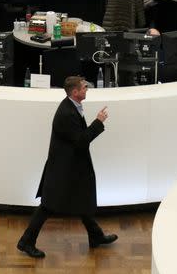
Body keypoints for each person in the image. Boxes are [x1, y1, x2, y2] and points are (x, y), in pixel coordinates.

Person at [17, 76, 117, 258]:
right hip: (62, 170)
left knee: (81, 200)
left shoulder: (73, 107)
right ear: (75, 92)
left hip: (70, 167)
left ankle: (96, 236)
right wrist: (98, 122)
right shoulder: (67, 113)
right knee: (47, 206)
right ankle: (26, 242)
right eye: (84, 87)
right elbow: (81, 141)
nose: (87, 89)